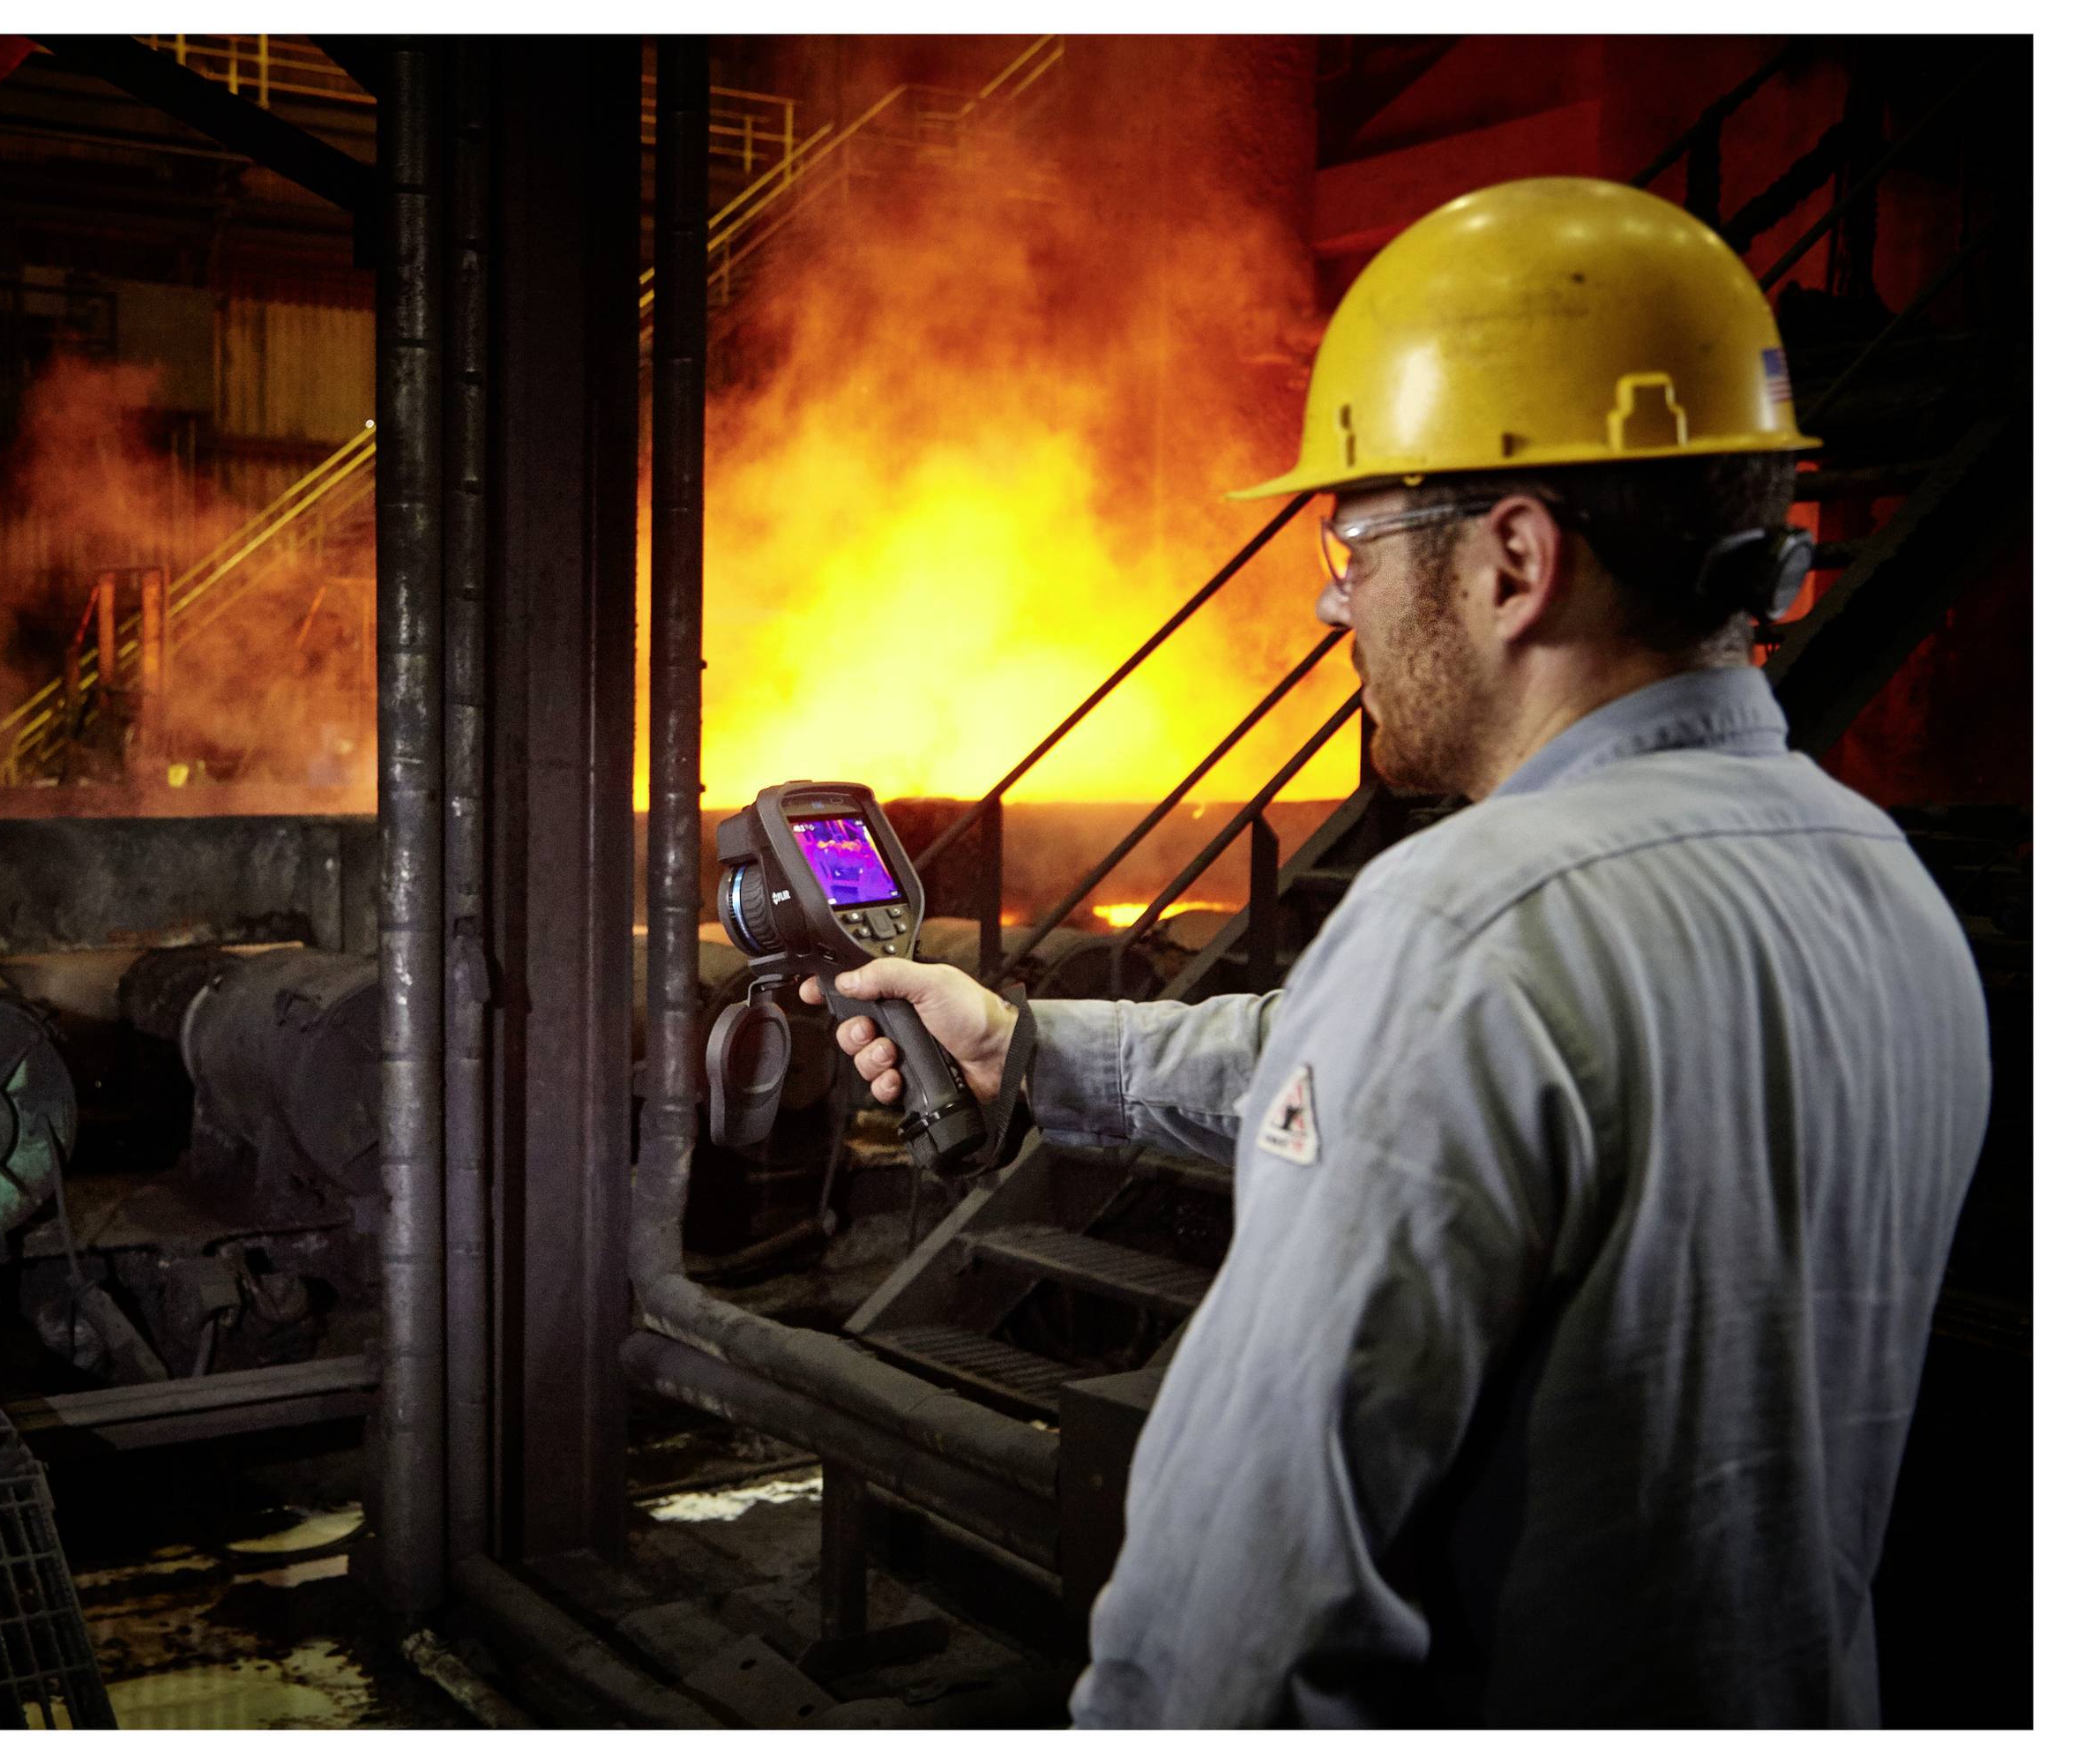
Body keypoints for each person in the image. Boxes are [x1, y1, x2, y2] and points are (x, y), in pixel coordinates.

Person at [800, 177, 1990, 1726]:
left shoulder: (1465, 929)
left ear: (1513, 556)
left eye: (1357, 533)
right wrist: (1028, 1047)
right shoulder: (1885, 888)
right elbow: (1375, 1061)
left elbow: (1242, 1605)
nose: (1329, 591)